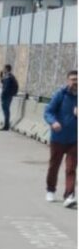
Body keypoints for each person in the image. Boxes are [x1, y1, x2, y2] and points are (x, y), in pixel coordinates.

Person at [44, 70, 78, 207]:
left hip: (74, 139)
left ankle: (69, 195)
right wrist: (53, 122)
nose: (75, 82)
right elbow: (48, 111)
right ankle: (50, 190)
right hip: (58, 138)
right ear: (67, 80)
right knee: (54, 166)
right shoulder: (60, 94)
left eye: (77, 79)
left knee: (71, 168)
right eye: (73, 79)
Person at [0, 64, 19, 131]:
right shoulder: (9, 76)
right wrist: (0, 75)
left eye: (4, 68)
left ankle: (6, 126)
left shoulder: (9, 77)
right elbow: (2, 82)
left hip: (6, 96)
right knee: (6, 111)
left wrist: (3, 96)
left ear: (7, 69)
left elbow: (6, 87)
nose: (3, 69)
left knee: (6, 111)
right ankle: (6, 125)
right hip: (9, 95)